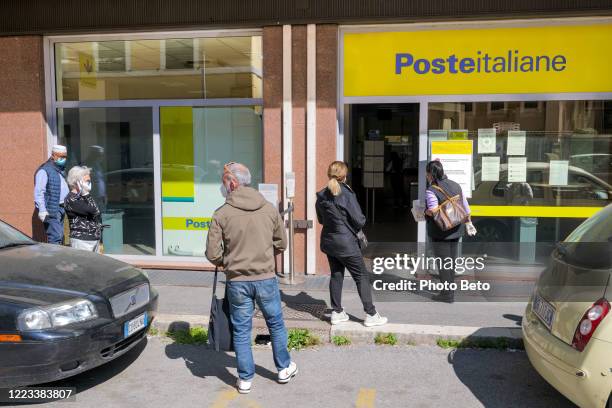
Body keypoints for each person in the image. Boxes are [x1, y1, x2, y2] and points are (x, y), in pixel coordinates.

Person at [205, 162, 296, 395]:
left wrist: (229, 263)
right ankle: (284, 368)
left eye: (223, 181)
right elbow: (282, 244)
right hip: (266, 278)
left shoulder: (221, 213)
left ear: (232, 183)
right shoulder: (268, 208)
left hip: (237, 281)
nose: (222, 186)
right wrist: (264, 256)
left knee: (242, 329)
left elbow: (213, 254)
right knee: (275, 323)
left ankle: (245, 379)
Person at [316, 161, 388, 327]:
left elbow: (321, 219)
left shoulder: (321, 196)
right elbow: (359, 220)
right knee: (361, 276)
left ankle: (337, 312)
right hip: (347, 244)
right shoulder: (347, 194)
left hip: (330, 242)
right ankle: (371, 314)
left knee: (336, 275)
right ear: (344, 176)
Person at [424, 160, 477, 303]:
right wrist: (468, 223)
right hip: (457, 229)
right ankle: (449, 289)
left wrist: (424, 212)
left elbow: (434, 212)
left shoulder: (432, 190)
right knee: (451, 262)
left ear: (430, 174)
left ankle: (447, 295)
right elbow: (466, 207)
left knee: (443, 263)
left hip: (441, 232)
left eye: (427, 173)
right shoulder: (456, 185)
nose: (426, 176)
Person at [34, 145, 69, 244]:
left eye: (65, 156)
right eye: (61, 156)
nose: (63, 159)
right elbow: (39, 192)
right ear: (53, 155)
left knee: (60, 236)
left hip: (62, 207)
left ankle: (57, 257)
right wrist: (42, 210)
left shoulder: (60, 169)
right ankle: (53, 259)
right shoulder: (44, 170)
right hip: (52, 209)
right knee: (55, 236)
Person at [64, 166, 102, 252]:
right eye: (87, 181)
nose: (89, 183)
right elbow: (94, 211)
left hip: (93, 239)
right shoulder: (71, 199)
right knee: (84, 265)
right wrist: (86, 194)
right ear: (77, 182)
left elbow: (96, 209)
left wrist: (85, 194)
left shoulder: (84, 196)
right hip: (82, 240)